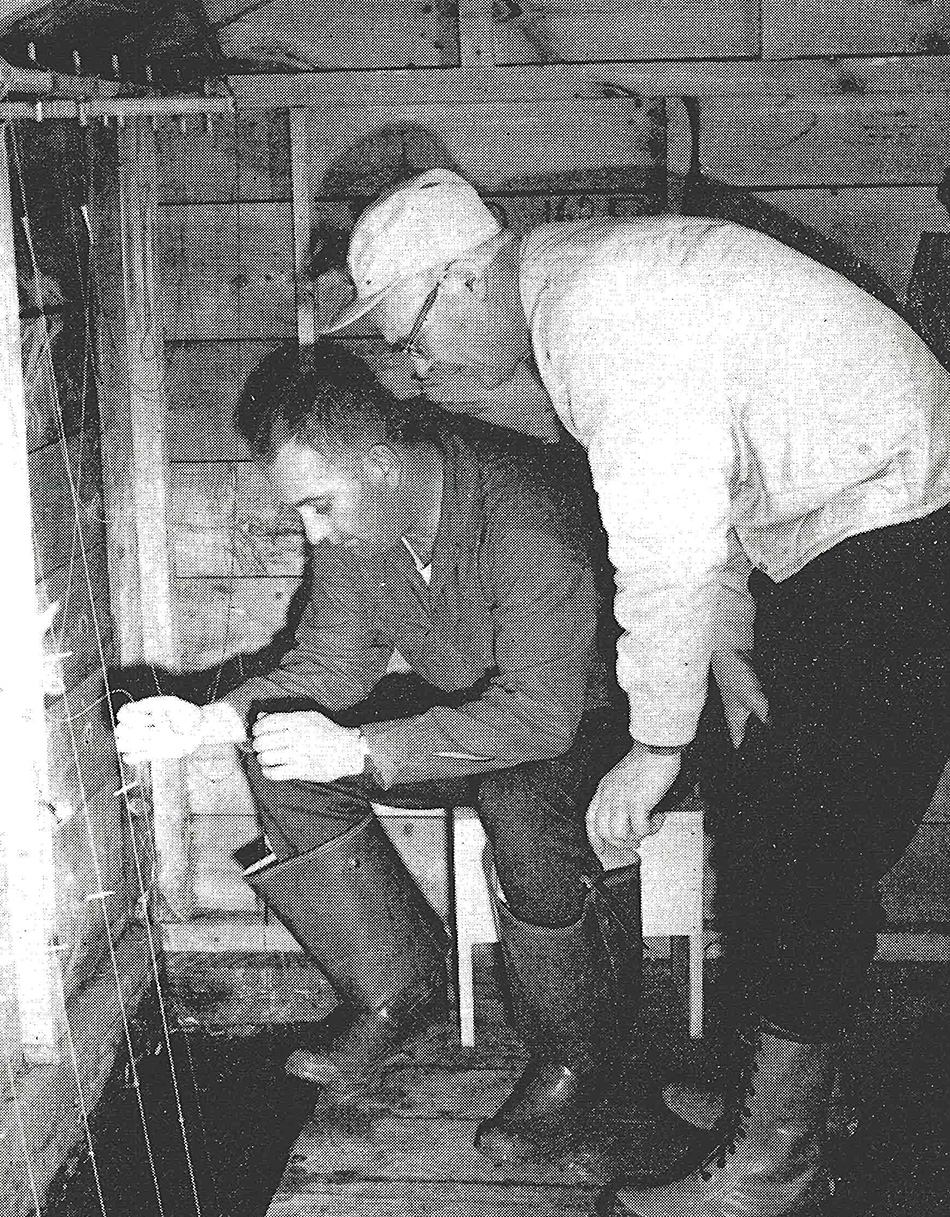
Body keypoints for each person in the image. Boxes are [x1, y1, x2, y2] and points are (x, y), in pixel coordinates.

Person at [321, 170, 950, 1217]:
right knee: (770, 815)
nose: (418, 369)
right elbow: (717, 494)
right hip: (844, 529)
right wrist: (729, 642)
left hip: (903, 531)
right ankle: (786, 1094)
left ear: (463, 276)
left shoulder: (600, 318)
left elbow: (664, 547)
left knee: (808, 847)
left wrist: (656, 745)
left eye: (412, 339)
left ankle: (776, 1160)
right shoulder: (581, 288)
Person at [115, 340, 640, 1168]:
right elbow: (330, 667)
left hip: (591, 721)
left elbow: (542, 718)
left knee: (519, 798)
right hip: (477, 718)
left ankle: (580, 1056)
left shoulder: (526, 518)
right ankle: (399, 990)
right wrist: (208, 721)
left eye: (320, 506)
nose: (311, 531)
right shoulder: (363, 528)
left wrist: (359, 746)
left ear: (385, 467)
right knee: (278, 741)